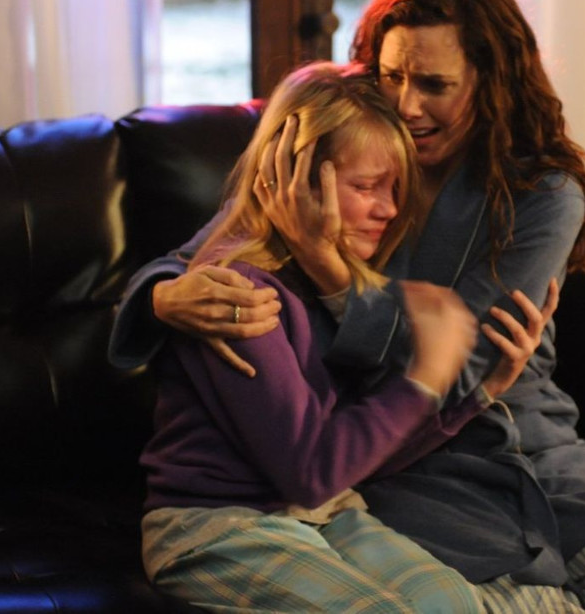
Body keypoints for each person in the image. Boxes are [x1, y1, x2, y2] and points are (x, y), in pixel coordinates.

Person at [114, 0, 585, 613]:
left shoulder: (542, 193)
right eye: (392, 76)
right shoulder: (343, 142)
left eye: (434, 85)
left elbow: (460, 365)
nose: (406, 105)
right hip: (397, 461)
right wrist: (163, 297)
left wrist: (328, 270)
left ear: (492, 81)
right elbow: (225, 246)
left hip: (524, 441)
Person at [136, 61, 550, 613]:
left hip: (328, 512)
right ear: (295, 177)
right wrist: (423, 379)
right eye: (366, 187)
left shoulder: (341, 288)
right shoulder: (238, 295)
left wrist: (480, 393)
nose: (389, 209)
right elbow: (310, 472)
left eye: (394, 188)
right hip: (215, 525)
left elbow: (356, 461)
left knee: (457, 605)